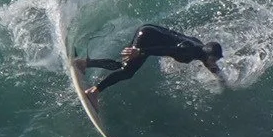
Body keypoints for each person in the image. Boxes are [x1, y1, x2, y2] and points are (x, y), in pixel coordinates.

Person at [76, 24, 225, 96]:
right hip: (147, 38)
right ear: (210, 57)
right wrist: (140, 51)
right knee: (127, 71)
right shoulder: (188, 50)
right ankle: (94, 91)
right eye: (215, 60)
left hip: (148, 31)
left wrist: (222, 79)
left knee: (123, 65)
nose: (215, 63)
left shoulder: (200, 48)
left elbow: (210, 65)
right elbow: (164, 50)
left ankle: (85, 63)